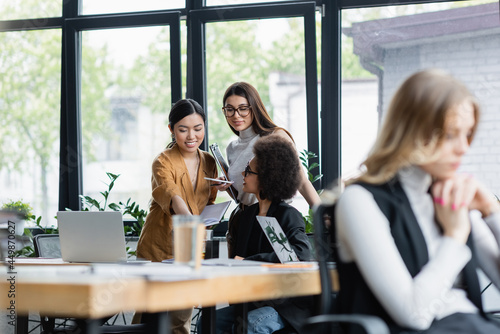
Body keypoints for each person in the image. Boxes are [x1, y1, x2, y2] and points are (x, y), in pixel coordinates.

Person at [335, 69, 500, 334]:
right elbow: (415, 314)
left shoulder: (448, 195)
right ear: (413, 132)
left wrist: (492, 212)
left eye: (467, 134)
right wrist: (455, 235)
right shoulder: (361, 201)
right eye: (450, 135)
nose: (463, 148)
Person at [199, 134, 314, 334]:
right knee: (208, 322)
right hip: (254, 301)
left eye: (249, 170)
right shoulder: (247, 216)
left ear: (267, 178)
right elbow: (238, 262)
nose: (243, 173)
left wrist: (250, 261)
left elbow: (298, 256)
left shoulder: (288, 215)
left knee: (254, 324)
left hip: (284, 306)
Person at [136, 98, 218, 334]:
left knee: (180, 321)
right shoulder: (162, 161)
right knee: (149, 319)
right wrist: (194, 224)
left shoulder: (210, 162)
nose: (191, 136)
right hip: (158, 248)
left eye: (198, 128)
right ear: (171, 130)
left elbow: (208, 202)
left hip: (188, 250)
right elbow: (173, 197)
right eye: (183, 130)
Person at [215, 81, 321, 254]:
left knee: (273, 267)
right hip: (243, 220)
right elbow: (244, 194)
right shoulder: (232, 148)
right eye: (230, 109)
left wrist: (322, 214)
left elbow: (300, 180)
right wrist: (228, 187)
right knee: (240, 272)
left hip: (271, 219)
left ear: (254, 107)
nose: (236, 115)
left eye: (243, 108)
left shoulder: (275, 136)